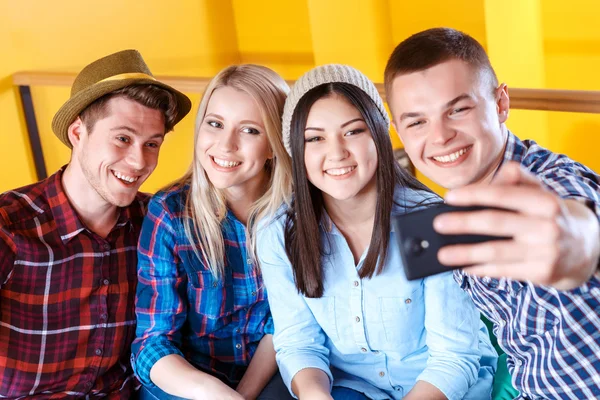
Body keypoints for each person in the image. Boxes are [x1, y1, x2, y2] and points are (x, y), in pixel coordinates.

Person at [256, 64, 497, 400]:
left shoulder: (428, 223)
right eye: (315, 138)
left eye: (353, 131)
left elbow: (453, 359)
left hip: (438, 388)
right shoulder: (280, 233)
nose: (337, 152)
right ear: (297, 148)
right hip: (350, 387)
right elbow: (299, 343)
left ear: (379, 134)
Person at [384, 27, 600, 399]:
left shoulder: (551, 185)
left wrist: (580, 244)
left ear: (501, 104)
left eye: (459, 109)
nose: (439, 136)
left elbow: (579, 224)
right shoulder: (456, 211)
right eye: (417, 121)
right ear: (399, 131)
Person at [0, 49, 191, 399]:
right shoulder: (8, 225)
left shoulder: (158, 223)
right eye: (122, 138)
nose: (138, 161)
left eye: (152, 144)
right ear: (77, 132)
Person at [131, 64, 294, 400]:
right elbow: (154, 341)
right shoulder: (170, 213)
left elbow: (288, 326)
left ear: (275, 144)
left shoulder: (295, 214)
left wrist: (243, 396)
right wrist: (217, 394)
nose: (225, 145)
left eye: (249, 130)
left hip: (271, 372)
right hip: (187, 381)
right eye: (215, 124)